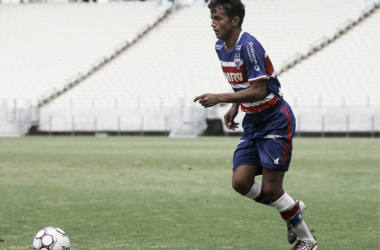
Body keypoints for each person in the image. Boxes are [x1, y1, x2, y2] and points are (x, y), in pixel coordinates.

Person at [194, 0, 318, 249]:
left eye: (218, 18)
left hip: (274, 120)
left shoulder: (249, 46)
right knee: (240, 182)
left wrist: (221, 98)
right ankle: (292, 209)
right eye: (212, 17)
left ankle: (307, 241)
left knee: (273, 189)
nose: (212, 23)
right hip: (253, 121)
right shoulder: (220, 46)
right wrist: (235, 105)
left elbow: (259, 89)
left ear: (234, 21)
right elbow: (243, 83)